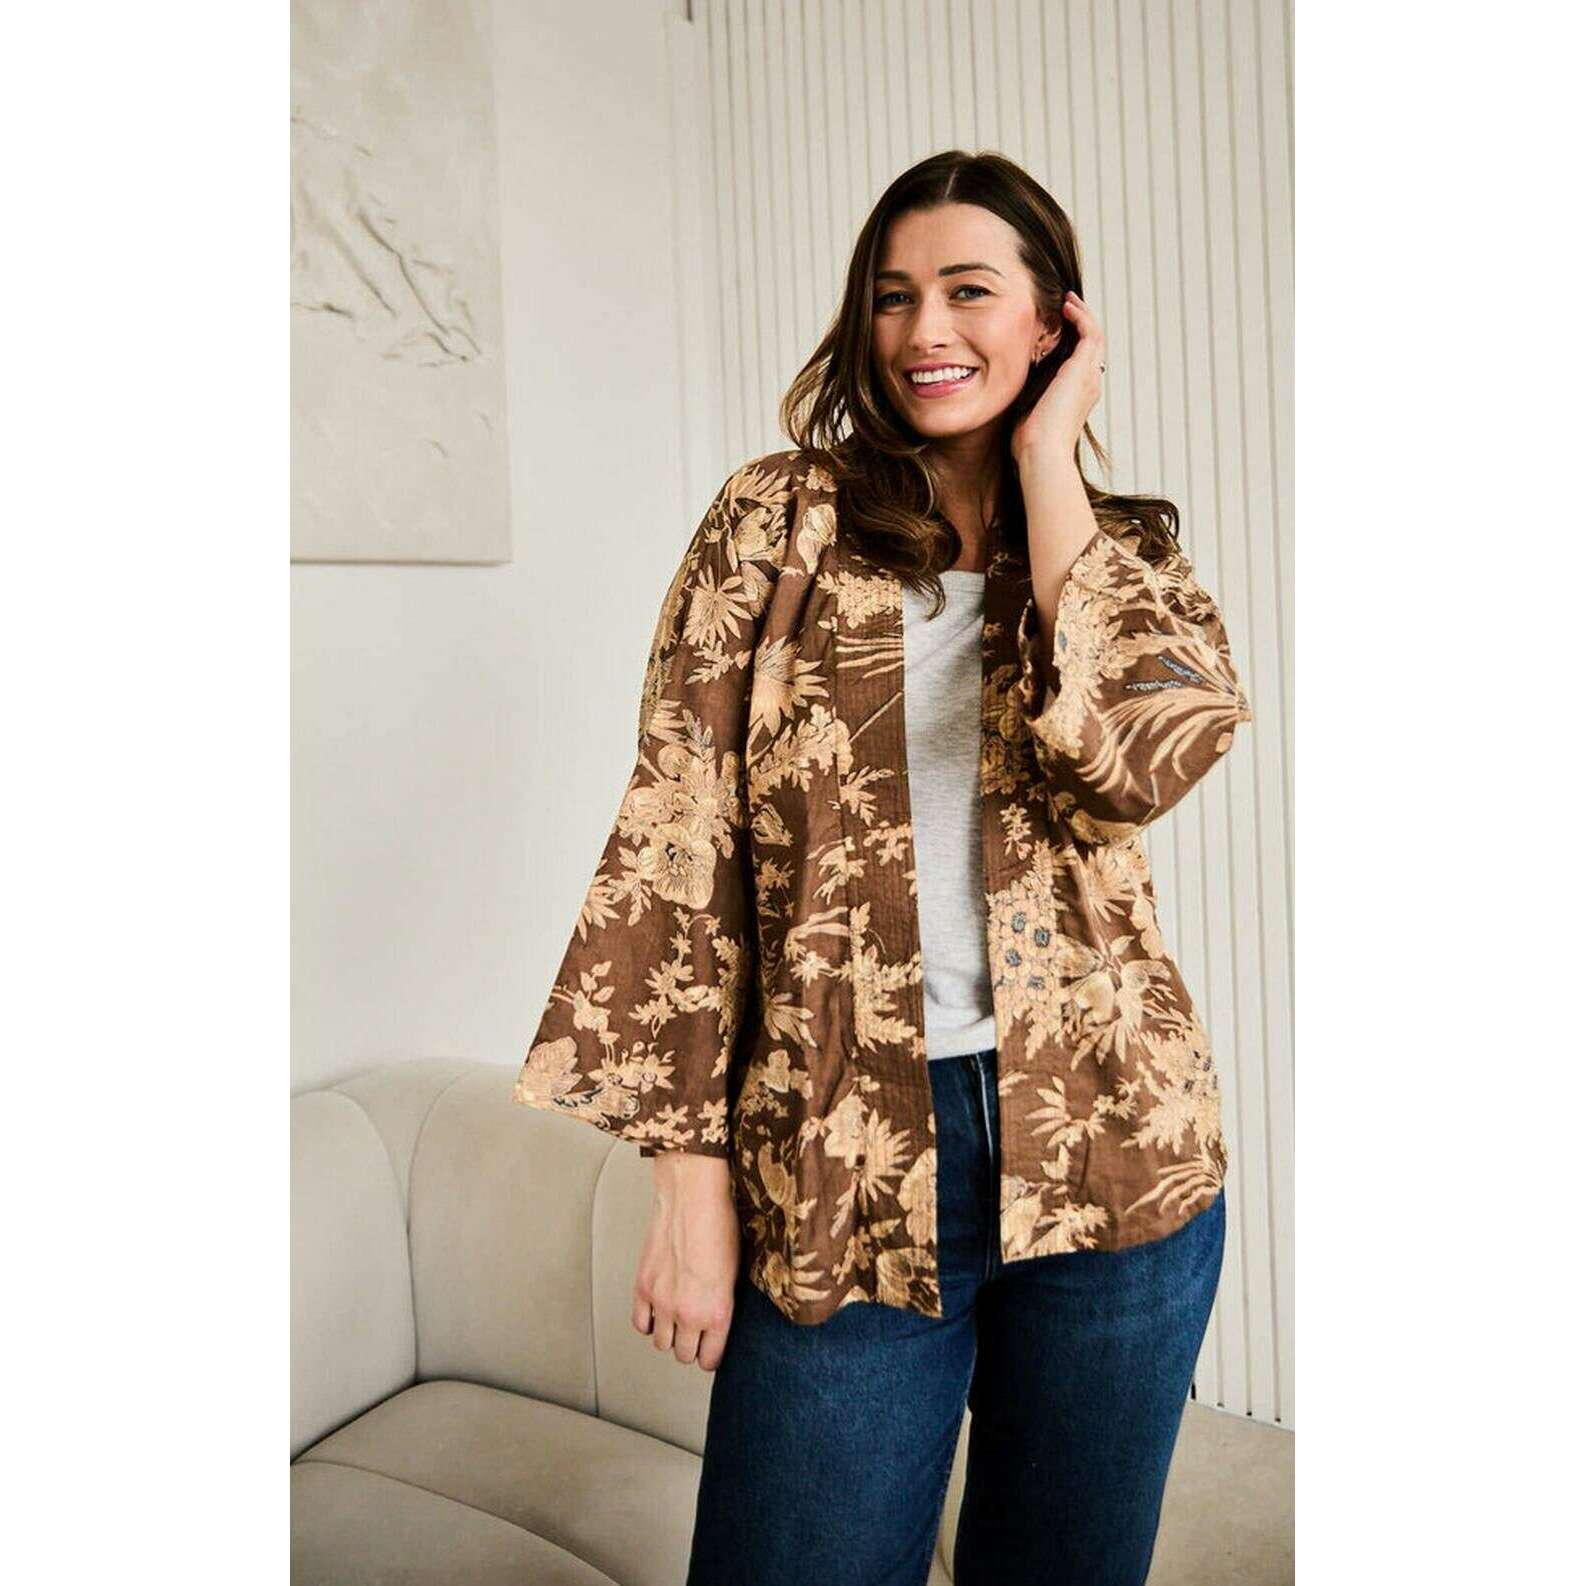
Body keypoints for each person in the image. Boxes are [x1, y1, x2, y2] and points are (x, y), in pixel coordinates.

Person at [513, 150, 1251, 1586]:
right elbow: (676, 840)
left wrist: (1048, 463)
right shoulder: (772, 520)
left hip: (1114, 1147)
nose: (925, 331)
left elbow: (1135, 761)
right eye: (894, 295)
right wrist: (689, 1184)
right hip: (841, 1151)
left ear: (1053, 321)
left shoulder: (1120, 554)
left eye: (970, 292)